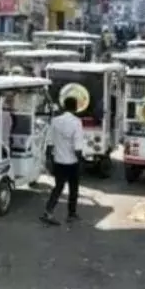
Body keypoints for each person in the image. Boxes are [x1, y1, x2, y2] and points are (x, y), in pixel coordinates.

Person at [40, 96, 84, 226]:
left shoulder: (55, 121)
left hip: (58, 161)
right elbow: (77, 147)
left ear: (64, 106)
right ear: (75, 107)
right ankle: (71, 214)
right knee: (74, 189)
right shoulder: (76, 122)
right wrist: (82, 160)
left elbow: (49, 142)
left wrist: (48, 159)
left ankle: (48, 211)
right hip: (72, 162)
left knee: (58, 188)